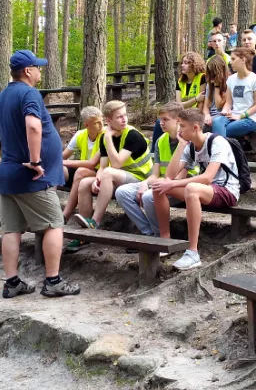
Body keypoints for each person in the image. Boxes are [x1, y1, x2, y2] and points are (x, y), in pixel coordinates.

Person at [0, 49, 80, 297]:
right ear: (27, 71)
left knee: (12, 230)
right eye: (37, 67)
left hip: (9, 173)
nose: (39, 72)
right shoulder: (29, 93)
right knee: (54, 225)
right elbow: (33, 125)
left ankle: (12, 282)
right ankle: (53, 281)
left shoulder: (2, 96)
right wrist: (35, 160)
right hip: (32, 176)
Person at [152, 109, 242, 270]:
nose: (179, 130)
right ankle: (165, 237)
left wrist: (173, 184)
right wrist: (181, 145)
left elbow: (207, 177)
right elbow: (170, 175)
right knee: (159, 186)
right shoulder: (190, 146)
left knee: (191, 188)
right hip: (207, 191)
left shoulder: (217, 142)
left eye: (183, 126)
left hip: (227, 191)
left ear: (195, 128)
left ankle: (193, 252)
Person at [72, 100, 153, 229]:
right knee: (84, 183)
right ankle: (84, 231)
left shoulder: (133, 135)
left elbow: (116, 164)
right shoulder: (105, 137)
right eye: (119, 117)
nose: (124, 119)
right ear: (108, 120)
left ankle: (95, 222)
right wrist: (98, 179)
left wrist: (108, 138)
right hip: (121, 178)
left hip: (142, 179)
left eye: (125, 115)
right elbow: (103, 166)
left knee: (109, 173)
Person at [115, 102, 187, 238]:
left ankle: (161, 235)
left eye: (165, 119)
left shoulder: (187, 140)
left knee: (149, 196)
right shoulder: (161, 140)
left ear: (178, 120)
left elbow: (183, 176)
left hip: (181, 186)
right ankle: (149, 232)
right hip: (161, 183)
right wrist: (145, 183)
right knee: (122, 192)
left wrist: (154, 184)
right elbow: (155, 174)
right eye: (160, 119)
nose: (161, 123)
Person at [61, 106, 104, 227]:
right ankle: (49, 212)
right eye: (97, 123)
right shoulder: (80, 135)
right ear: (87, 125)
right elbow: (64, 156)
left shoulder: (107, 136)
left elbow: (92, 163)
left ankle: (66, 214)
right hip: (86, 171)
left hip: (102, 172)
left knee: (80, 172)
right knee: (57, 170)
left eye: (102, 121)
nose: (101, 125)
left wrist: (64, 162)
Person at [212, 46, 256, 140]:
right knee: (217, 121)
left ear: (243, 60)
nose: (230, 62)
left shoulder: (255, 79)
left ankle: (222, 152)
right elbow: (228, 103)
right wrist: (225, 111)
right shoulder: (231, 79)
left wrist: (241, 116)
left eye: (233, 59)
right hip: (232, 115)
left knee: (223, 130)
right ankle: (225, 152)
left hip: (250, 119)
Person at [202, 54, 230, 127]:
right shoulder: (209, 84)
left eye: (214, 73)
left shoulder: (229, 82)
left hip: (222, 115)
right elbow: (205, 106)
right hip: (210, 115)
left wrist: (217, 86)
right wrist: (207, 115)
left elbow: (219, 105)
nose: (212, 76)